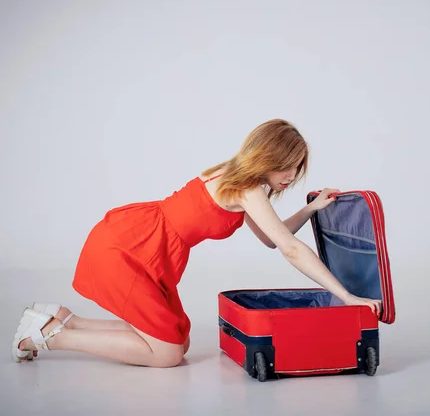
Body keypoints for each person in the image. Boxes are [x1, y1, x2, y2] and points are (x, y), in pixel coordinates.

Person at [12, 119, 382, 367]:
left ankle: (62, 319)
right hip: (131, 248)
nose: (291, 177)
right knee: (167, 354)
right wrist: (347, 297)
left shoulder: (235, 176)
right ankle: (46, 337)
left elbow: (273, 239)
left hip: (146, 243)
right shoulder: (247, 188)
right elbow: (289, 248)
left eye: (298, 168)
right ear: (269, 157)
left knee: (177, 341)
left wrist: (313, 208)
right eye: (288, 166)